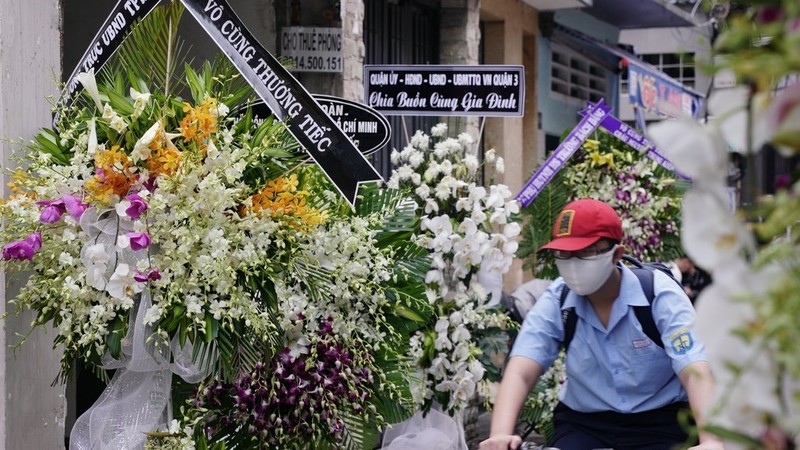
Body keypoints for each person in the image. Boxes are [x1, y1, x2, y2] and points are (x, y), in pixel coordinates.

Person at [480, 199, 723, 450]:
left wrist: (711, 441)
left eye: (586, 252)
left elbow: (694, 370)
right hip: (585, 425)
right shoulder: (557, 300)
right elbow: (521, 370)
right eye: (564, 254)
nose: (573, 264)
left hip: (660, 423)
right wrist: (499, 436)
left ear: (616, 254)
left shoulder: (658, 294)